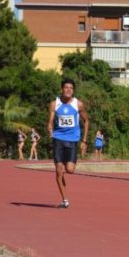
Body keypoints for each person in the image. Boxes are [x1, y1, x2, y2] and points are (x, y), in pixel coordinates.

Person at [48, 78, 89, 209]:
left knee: (70, 170)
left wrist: (84, 141)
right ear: (62, 89)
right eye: (66, 88)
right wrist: (49, 128)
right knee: (58, 171)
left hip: (72, 140)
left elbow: (86, 121)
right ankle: (65, 200)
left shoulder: (78, 104)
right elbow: (50, 121)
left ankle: (65, 167)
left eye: (71, 88)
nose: (68, 90)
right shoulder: (54, 104)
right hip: (58, 139)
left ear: (73, 90)